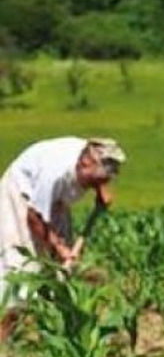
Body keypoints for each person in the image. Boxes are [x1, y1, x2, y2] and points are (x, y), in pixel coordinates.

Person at [0, 137, 126, 340]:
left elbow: (100, 168)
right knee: (22, 268)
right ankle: (4, 335)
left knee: (61, 271)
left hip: (54, 201)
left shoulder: (92, 154)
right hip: (21, 197)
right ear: (84, 164)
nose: (93, 185)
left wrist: (100, 188)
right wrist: (58, 247)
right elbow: (34, 217)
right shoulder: (54, 173)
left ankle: (58, 333)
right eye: (94, 181)